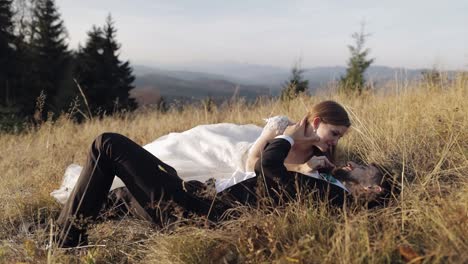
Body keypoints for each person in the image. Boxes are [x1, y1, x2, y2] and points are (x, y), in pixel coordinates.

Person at [55, 115, 389, 248]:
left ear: (371, 188)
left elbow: (268, 169)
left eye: (361, 167)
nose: (352, 163)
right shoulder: (327, 187)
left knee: (107, 143)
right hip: (199, 198)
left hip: (191, 214)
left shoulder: (333, 195)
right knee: (129, 192)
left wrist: (286, 137)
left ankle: (65, 244)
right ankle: (67, 224)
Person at [51, 100, 351, 203]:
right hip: (240, 161)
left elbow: (283, 182)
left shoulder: (319, 158)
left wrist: (307, 168)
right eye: (333, 133)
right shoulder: (282, 131)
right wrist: (285, 146)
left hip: (245, 187)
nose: (335, 141)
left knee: (152, 190)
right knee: (173, 164)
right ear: (316, 122)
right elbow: (253, 162)